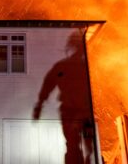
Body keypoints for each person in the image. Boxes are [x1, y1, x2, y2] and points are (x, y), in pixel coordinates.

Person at [33, 31, 94, 164]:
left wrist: (39, 105)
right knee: (84, 146)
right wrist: (39, 104)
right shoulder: (83, 67)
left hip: (74, 112)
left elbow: (48, 84)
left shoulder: (64, 66)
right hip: (81, 112)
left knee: (75, 145)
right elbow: (48, 84)